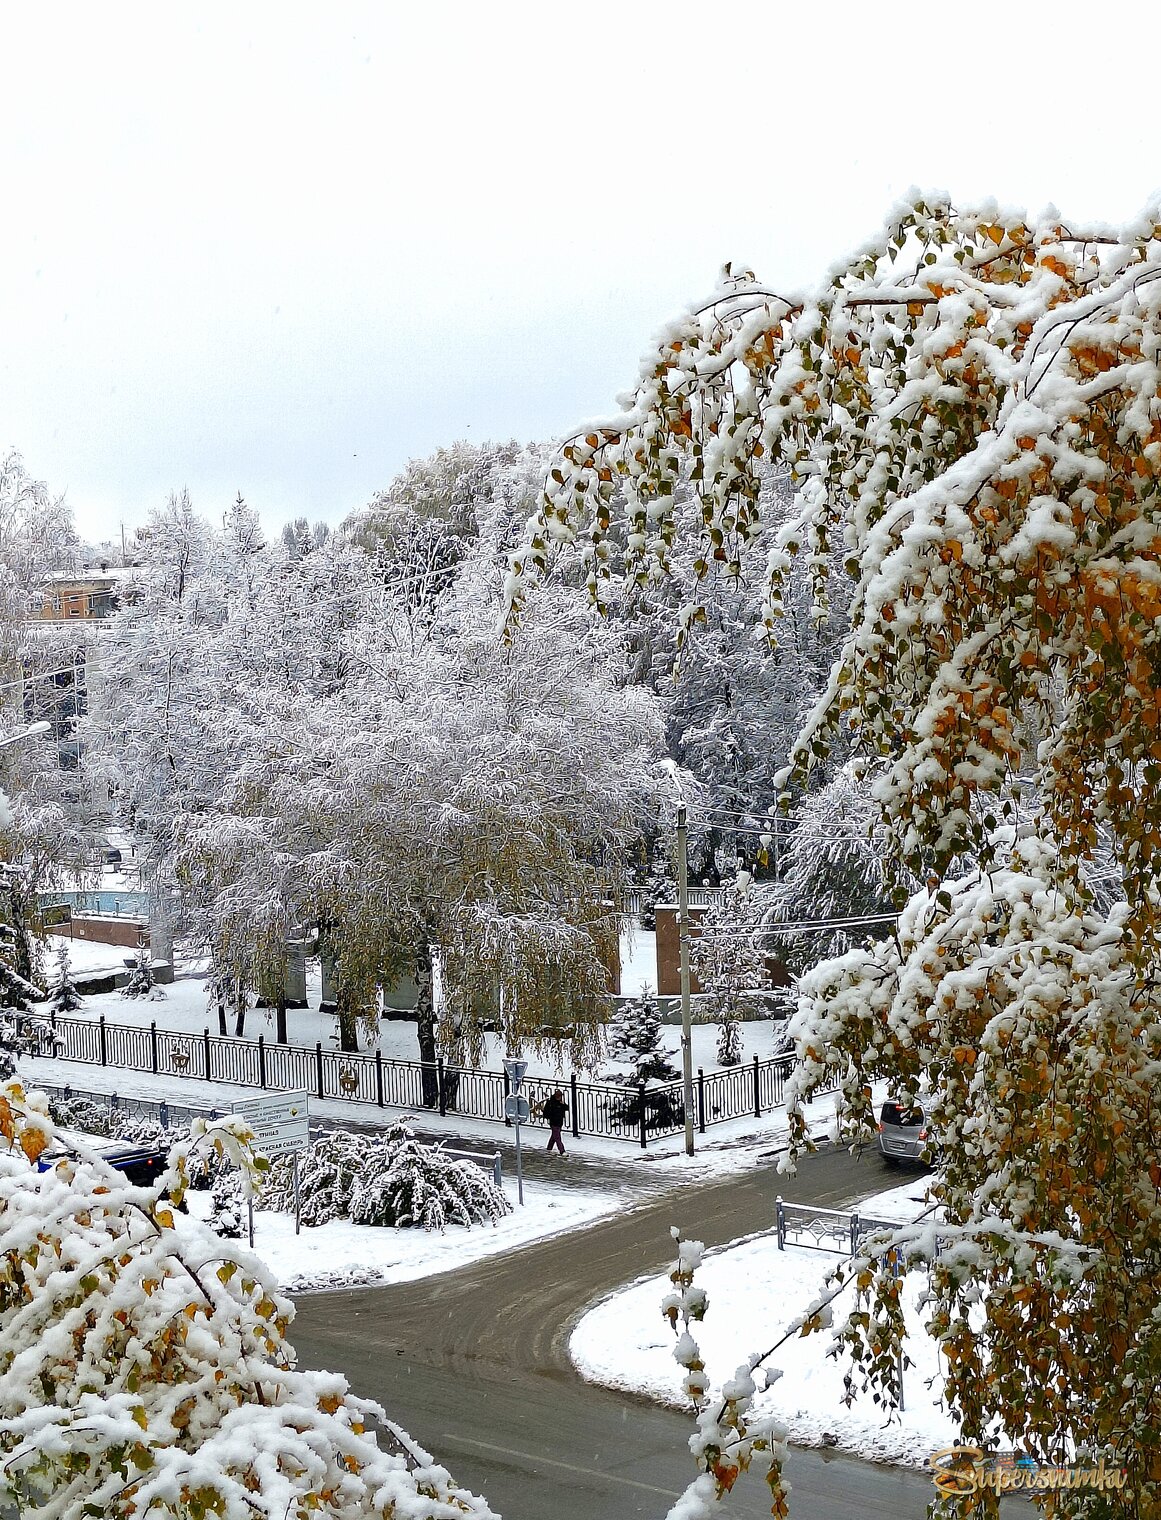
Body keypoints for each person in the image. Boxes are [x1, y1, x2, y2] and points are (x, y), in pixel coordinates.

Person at [543, 1088, 568, 1155]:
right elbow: (545, 1112)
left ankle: (549, 1148)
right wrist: (550, 1117)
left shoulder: (560, 1103)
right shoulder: (550, 1102)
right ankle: (562, 1151)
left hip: (559, 1122)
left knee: (554, 1136)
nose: (559, 1098)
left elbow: (566, 1108)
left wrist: (563, 1104)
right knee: (557, 1137)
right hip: (553, 1122)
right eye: (558, 1097)